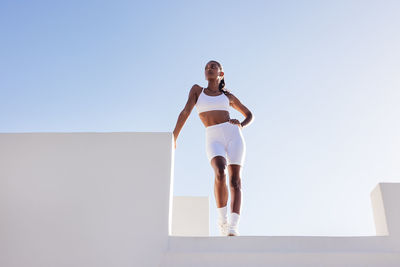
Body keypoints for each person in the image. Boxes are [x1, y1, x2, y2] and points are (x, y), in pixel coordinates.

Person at [172, 60, 254, 236]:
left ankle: (233, 226)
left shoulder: (228, 97)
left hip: (233, 135)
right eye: (206, 67)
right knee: (220, 171)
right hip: (212, 136)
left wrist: (241, 123)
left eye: (213, 66)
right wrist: (174, 136)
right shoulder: (197, 91)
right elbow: (185, 112)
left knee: (235, 181)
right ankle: (222, 220)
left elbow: (249, 114)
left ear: (221, 74)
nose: (209, 68)